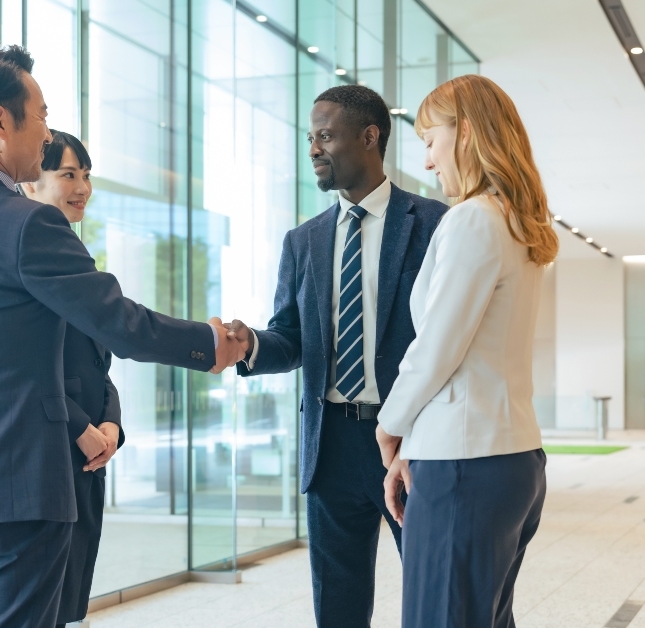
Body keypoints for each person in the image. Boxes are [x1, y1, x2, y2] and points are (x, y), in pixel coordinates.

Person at [0, 47, 242, 627]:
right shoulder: (27, 222)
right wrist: (210, 343)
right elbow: (116, 320)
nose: (47, 133)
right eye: (41, 115)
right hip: (18, 485)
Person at [225, 85, 448, 627]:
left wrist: (414, 439)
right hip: (330, 449)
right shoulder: (303, 241)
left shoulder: (434, 224)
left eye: (324, 135)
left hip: (409, 444)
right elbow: (291, 337)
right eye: (309, 138)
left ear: (369, 136)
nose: (313, 149)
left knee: (435, 596)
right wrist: (250, 344)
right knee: (338, 607)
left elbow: (445, 337)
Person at [375, 74, 557, 628]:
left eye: (431, 140)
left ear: (468, 132)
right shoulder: (516, 225)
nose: (428, 162)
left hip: (465, 467)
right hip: (509, 458)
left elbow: (437, 348)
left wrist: (390, 427)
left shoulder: (473, 219)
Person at [19, 130, 120, 628]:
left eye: (86, 175)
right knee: (44, 602)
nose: (82, 186)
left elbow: (97, 362)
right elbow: (27, 364)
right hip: (53, 446)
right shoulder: (26, 254)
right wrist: (81, 426)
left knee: (70, 596)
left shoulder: (77, 257)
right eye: (68, 175)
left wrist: (112, 423)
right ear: (31, 184)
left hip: (89, 452)